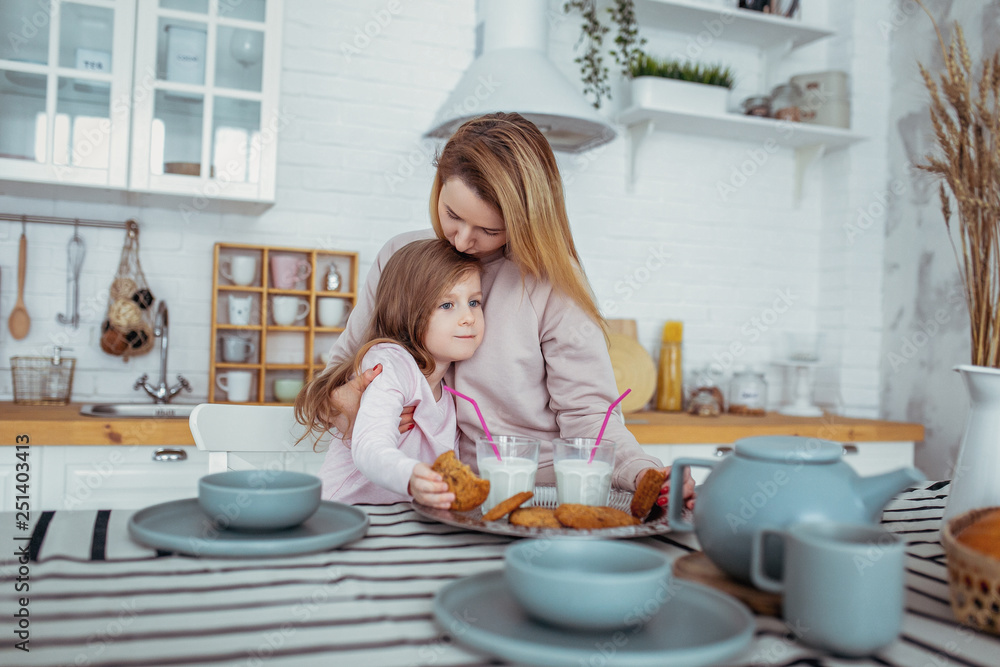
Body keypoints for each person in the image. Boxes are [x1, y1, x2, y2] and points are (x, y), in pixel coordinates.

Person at [325, 112, 695, 508]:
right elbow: (343, 371)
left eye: (489, 230)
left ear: (525, 222)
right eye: (452, 215)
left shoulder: (553, 282)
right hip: (434, 499)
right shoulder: (400, 257)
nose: (463, 241)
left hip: (540, 496)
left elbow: (590, 416)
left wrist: (643, 472)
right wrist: (340, 403)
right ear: (438, 186)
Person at [295, 239, 483, 508]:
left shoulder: (450, 387)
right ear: (408, 313)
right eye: (447, 305)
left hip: (397, 524)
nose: (469, 317)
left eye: (474, 302)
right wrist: (410, 476)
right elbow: (370, 445)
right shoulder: (390, 363)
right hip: (343, 515)